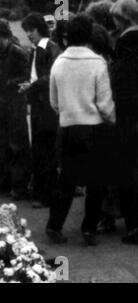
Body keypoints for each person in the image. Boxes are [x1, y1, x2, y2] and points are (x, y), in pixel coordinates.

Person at [47, 14, 116, 246]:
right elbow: (105, 103)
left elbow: (54, 101)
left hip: (67, 126)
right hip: (94, 127)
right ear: (89, 35)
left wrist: (66, 112)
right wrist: (111, 120)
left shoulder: (58, 62)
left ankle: (54, 226)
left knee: (66, 180)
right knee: (96, 181)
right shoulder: (98, 63)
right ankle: (89, 229)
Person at [0, 20, 31, 200]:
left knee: (17, 145)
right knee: (0, 144)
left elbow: (27, 76)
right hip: (0, 104)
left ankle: (19, 186)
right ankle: (4, 183)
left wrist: (9, 83)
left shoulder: (17, 51)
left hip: (14, 103)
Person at [20, 13, 61, 209]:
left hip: (48, 106)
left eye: (31, 30)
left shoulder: (50, 48)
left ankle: (48, 195)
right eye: (26, 30)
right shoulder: (37, 49)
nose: (28, 34)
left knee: (46, 152)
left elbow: (51, 76)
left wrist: (31, 86)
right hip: (39, 105)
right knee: (39, 150)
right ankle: (42, 192)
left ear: (40, 29)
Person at [110, 0, 138, 245]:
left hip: (129, 115)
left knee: (129, 171)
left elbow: (121, 83)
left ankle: (134, 226)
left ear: (124, 19)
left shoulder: (126, 42)